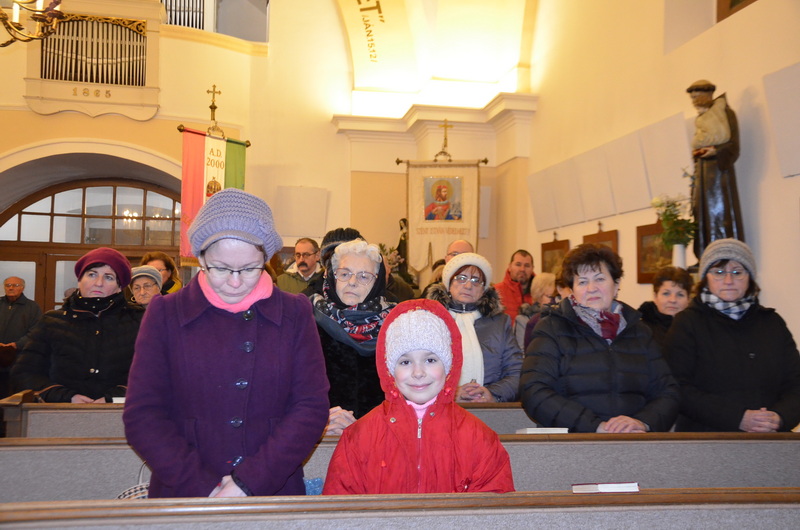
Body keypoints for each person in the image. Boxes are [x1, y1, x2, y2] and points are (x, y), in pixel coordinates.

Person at [123, 188, 329, 498]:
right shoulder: (165, 313)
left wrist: (250, 482)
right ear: (201, 258)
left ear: (266, 260)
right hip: (184, 493)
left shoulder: (294, 313)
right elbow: (143, 414)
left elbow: (310, 407)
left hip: (273, 491)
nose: (234, 281)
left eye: (249, 268)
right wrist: (204, 487)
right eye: (220, 268)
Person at [323, 299, 514, 494]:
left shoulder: (480, 438)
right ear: (389, 369)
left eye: (430, 360)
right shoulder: (359, 438)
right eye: (405, 362)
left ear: (449, 366)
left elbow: (493, 506)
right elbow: (340, 505)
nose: (418, 373)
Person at [520, 244, 679, 433]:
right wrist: (595, 426)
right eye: (582, 282)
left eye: (600, 279)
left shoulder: (640, 332)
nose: (591, 288)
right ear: (572, 289)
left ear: (616, 284)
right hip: (573, 442)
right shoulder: (551, 328)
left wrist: (642, 422)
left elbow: (668, 392)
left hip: (634, 441)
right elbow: (534, 390)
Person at [664, 239, 800, 432]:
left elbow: (796, 384)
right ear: (705, 278)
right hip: (707, 439)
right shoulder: (687, 323)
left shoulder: (772, 323)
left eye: (737, 272)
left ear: (749, 277)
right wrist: (738, 418)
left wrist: (779, 417)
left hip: (770, 439)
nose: (728, 280)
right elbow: (677, 386)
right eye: (719, 272)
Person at [12, 248, 144, 403]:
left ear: (119, 286)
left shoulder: (139, 321)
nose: (98, 283)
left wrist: (114, 398)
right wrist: (66, 397)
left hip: (122, 412)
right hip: (60, 413)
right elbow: (24, 373)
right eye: (92, 274)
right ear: (79, 280)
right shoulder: (51, 321)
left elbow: (154, 372)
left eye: (109, 277)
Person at [311, 240, 395, 432]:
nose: (352, 282)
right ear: (332, 276)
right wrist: (319, 421)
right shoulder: (308, 321)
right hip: (324, 435)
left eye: (364, 276)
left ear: (378, 281)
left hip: (381, 435)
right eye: (344, 274)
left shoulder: (397, 326)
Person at [426, 252, 522, 403]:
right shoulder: (430, 321)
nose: (468, 285)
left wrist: (492, 394)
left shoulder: (499, 323)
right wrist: (449, 392)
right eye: (461, 278)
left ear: (484, 290)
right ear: (449, 284)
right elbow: (416, 372)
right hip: (439, 407)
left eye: (476, 281)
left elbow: (516, 371)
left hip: (489, 409)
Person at [686, 80, 744, 258]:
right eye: (692, 98)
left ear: (708, 95)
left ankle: (723, 255)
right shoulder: (701, 119)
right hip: (703, 171)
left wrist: (716, 151)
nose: (694, 101)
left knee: (720, 212)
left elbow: (733, 145)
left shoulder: (725, 114)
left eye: (697, 97)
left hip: (719, 172)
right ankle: (705, 255)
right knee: (702, 214)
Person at [0, 277, 42, 396]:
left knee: (15, 395)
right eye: (8, 285)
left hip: (20, 358)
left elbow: (36, 331)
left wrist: (17, 344)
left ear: (22, 288)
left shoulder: (32, 307)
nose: (11, 288)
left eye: (15, 285)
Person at [637, 266, 693, 347]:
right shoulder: (640, 331)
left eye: (680, 295)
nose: (673, 300)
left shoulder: (697, 330)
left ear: (688, 299)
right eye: (666, 294)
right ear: (655, 297)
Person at [514, 272, 556, 350]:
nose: (553, 301)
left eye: (556, 296)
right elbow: (521, 352)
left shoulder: (560, 318)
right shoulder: (524, 320)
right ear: (538, 296)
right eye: (549, 296)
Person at [493, 249, 535, 322]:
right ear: (510, 267)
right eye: (518, 264)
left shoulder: (541, 293)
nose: (522, 269)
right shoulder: (495, 292)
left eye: (527, 265)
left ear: (532, 268)